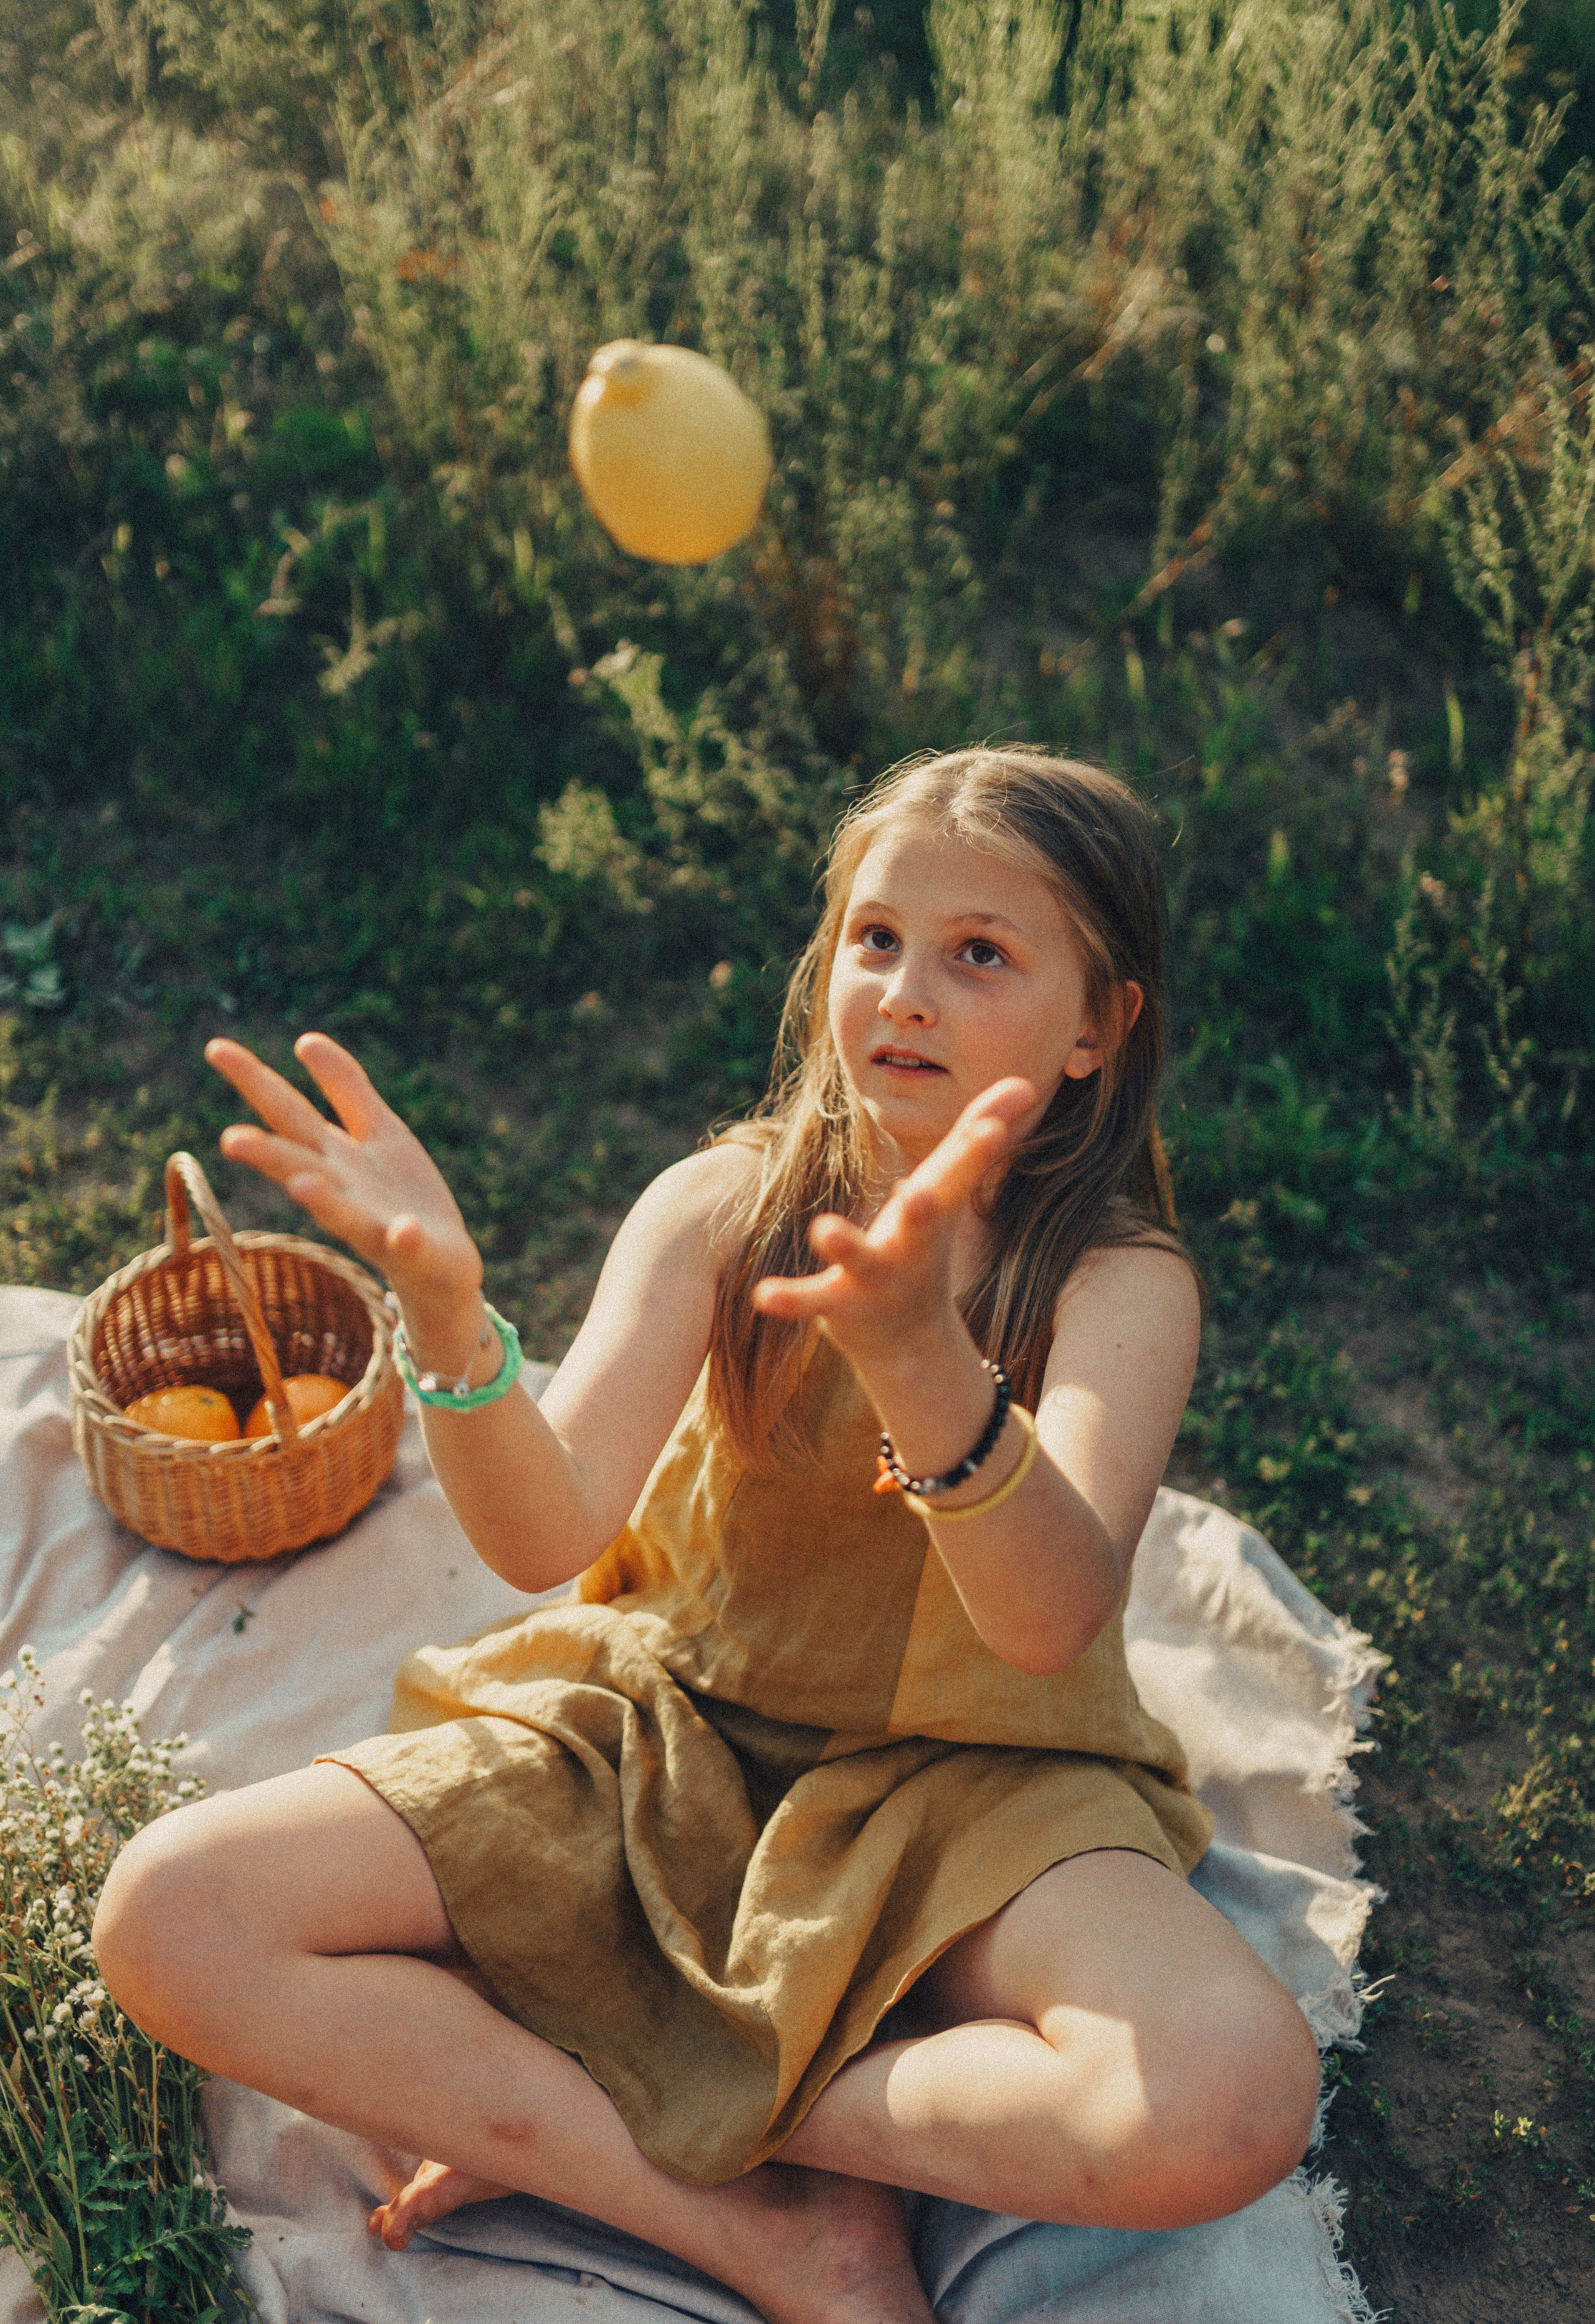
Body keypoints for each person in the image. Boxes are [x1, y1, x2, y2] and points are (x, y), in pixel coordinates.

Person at [93, 745, 1318, 2324]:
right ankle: (777, 2236)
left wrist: (915, 1360)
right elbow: (544, 1534)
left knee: (1225, 2098)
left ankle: (688, 2093)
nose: (908, 993)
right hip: (669, 1742)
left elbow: (1045, 1621)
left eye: (980, 955)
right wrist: (456, 1324)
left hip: (981, 1783)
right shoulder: (723, 1204)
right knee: (168, 1917)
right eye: (876, 939)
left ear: (1098, 1029)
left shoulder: (1115, 1283)